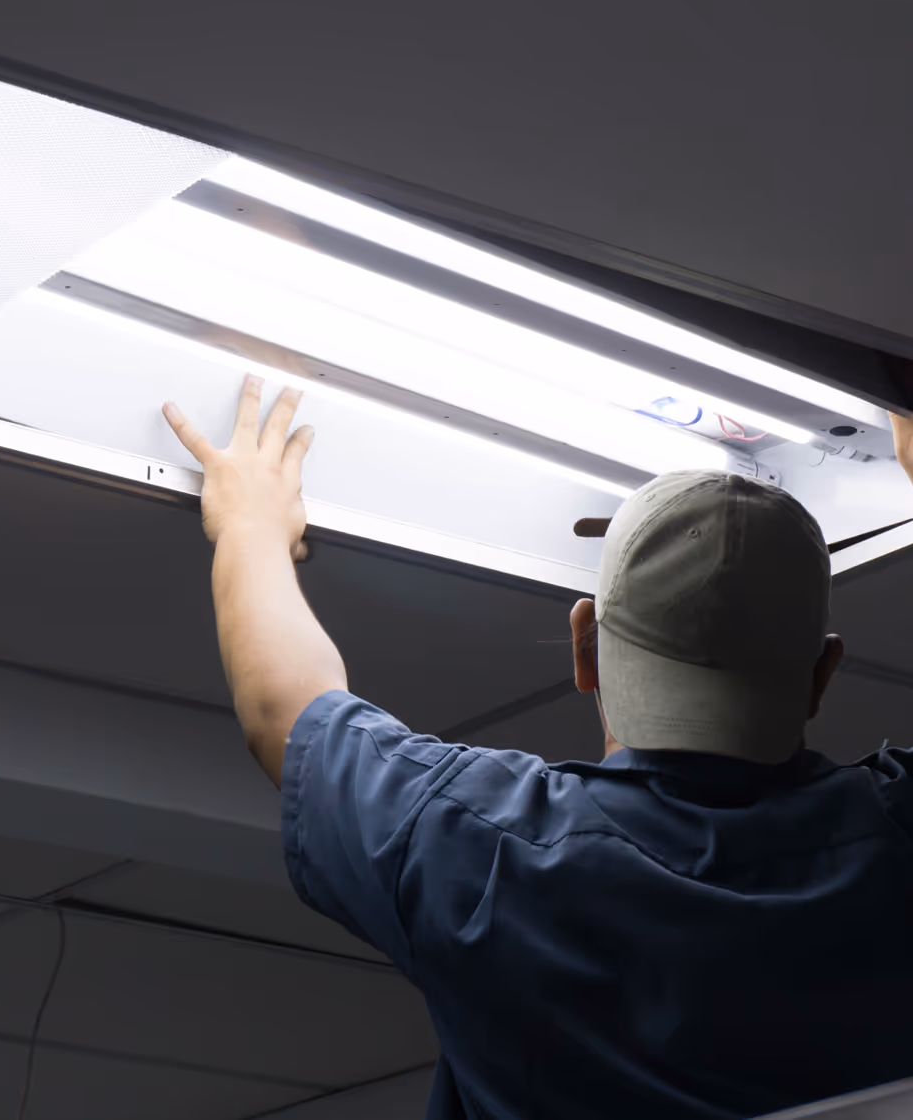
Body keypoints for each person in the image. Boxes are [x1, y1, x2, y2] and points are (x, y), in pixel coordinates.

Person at [163, 378, 913, 1120]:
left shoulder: (487, 848)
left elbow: (284, 712)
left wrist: (252, 524)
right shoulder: (898, 842)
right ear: (822, 673)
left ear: (584, 646)